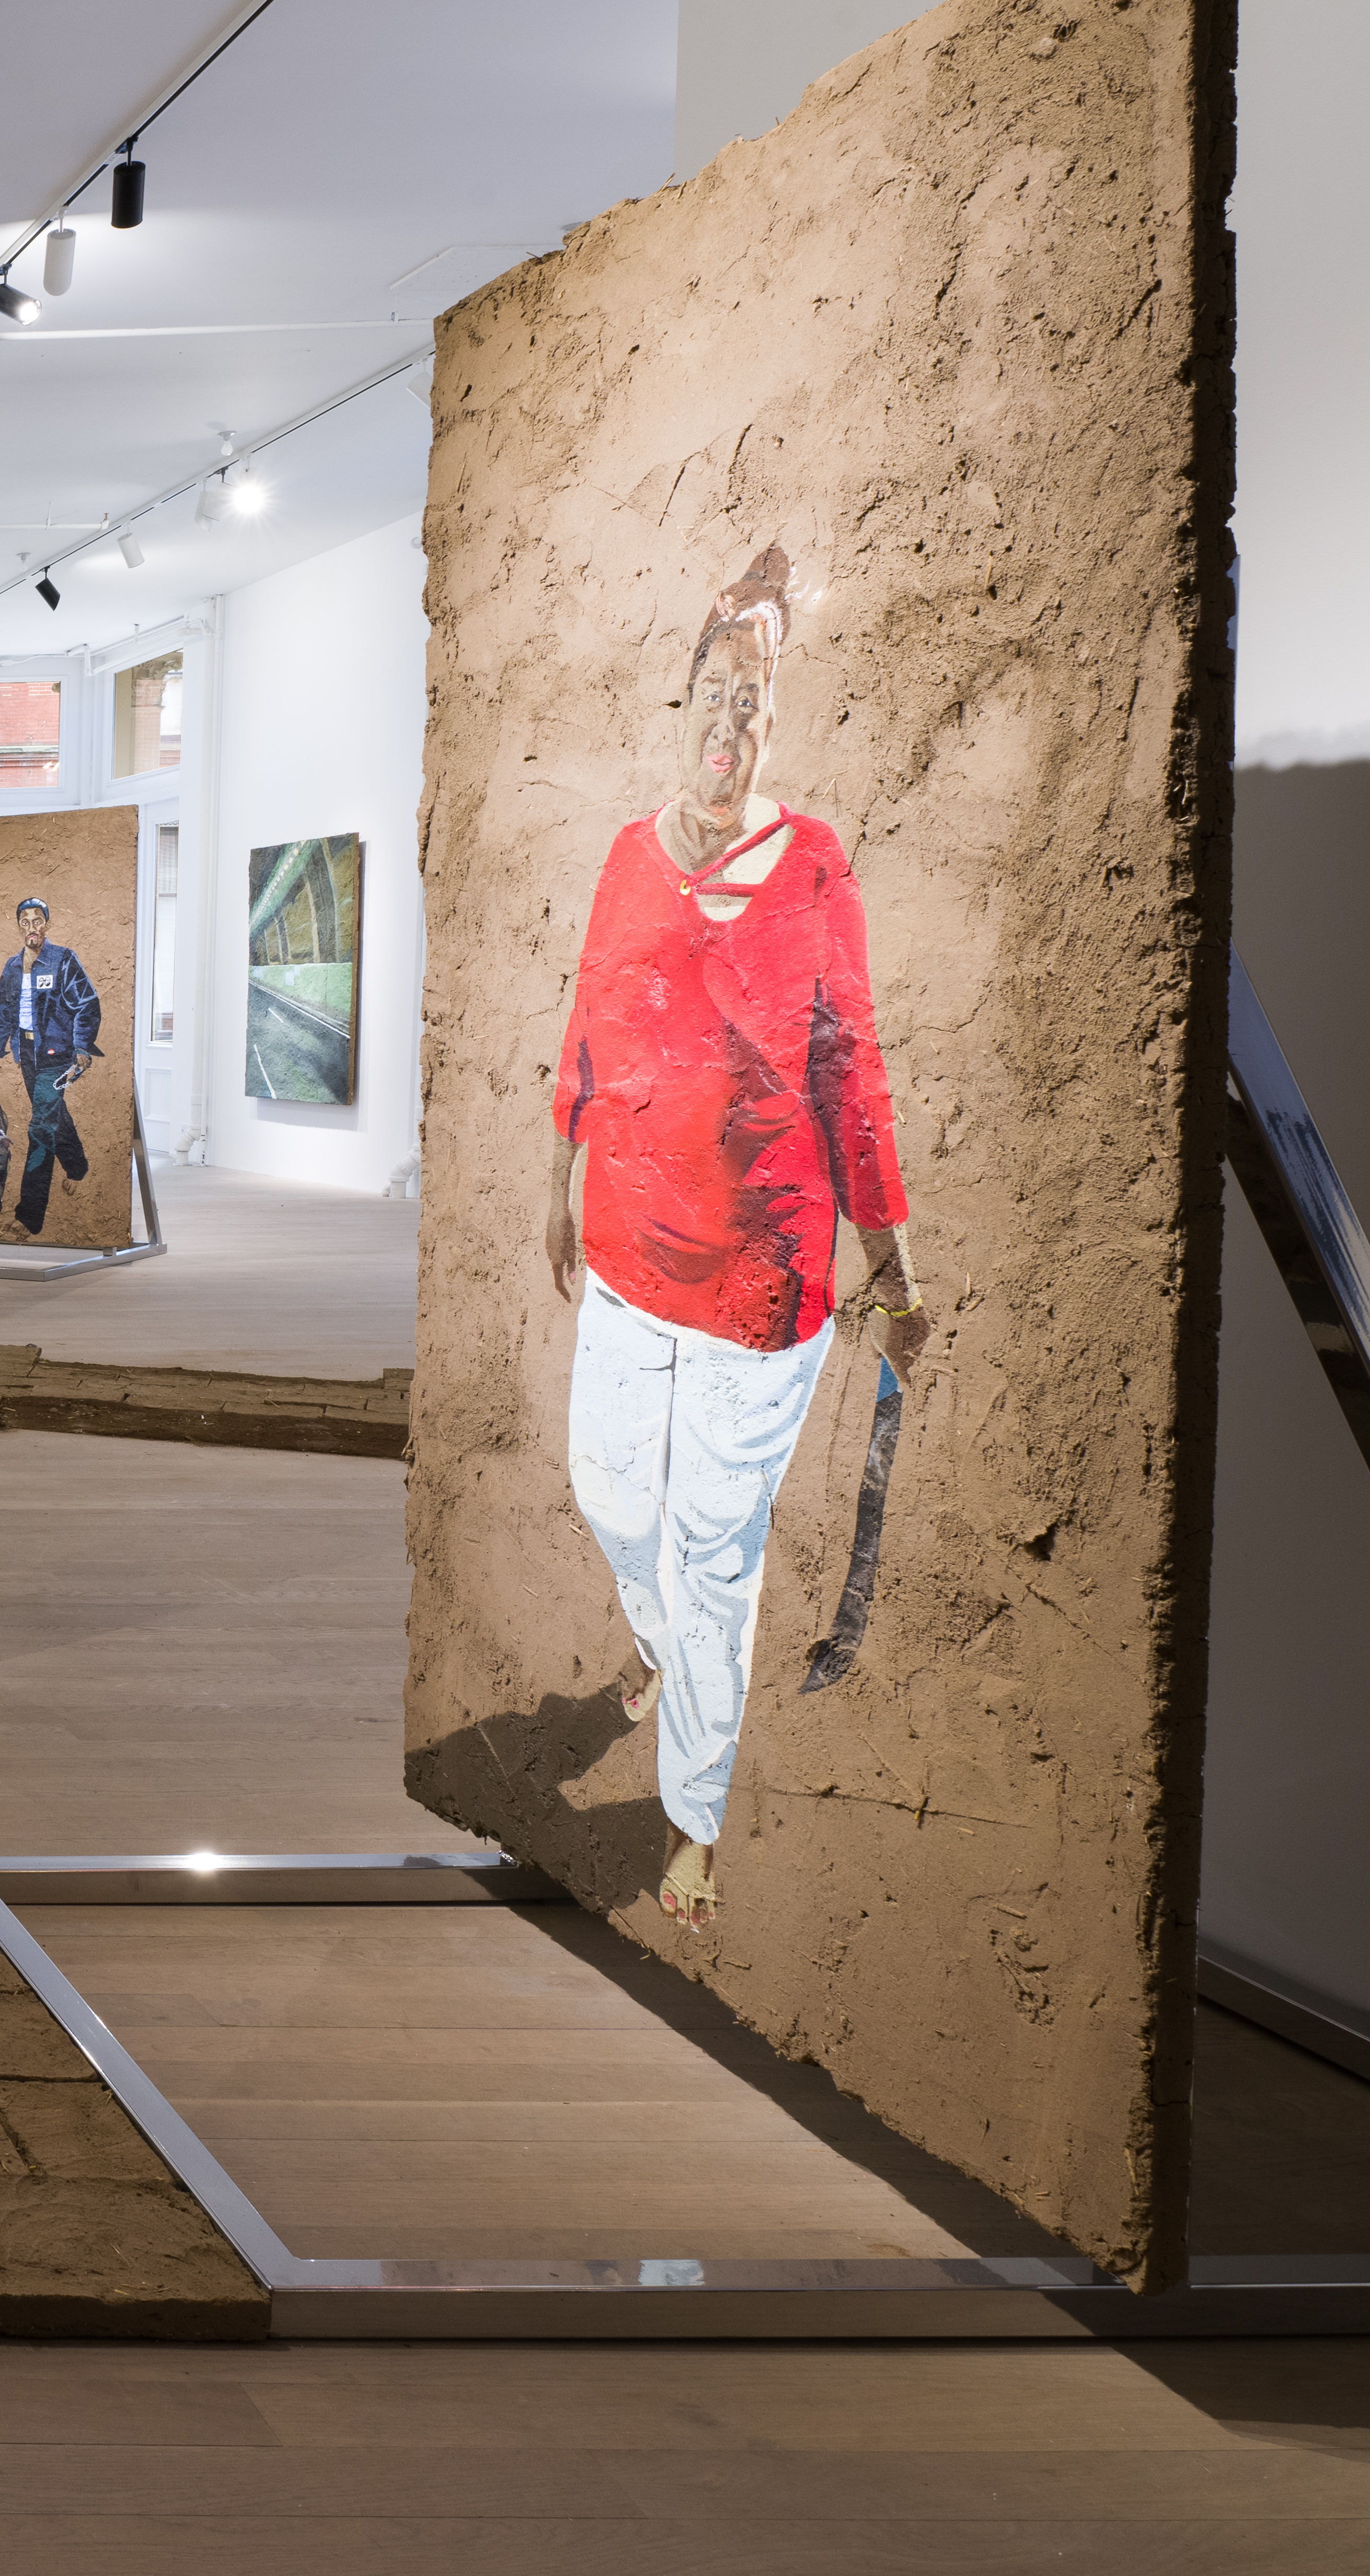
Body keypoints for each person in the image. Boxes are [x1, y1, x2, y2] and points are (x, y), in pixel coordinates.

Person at [541, 544, 926, 1934]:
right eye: (713, 695)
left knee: (715, 1545)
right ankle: (662, 1651)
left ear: (777, 724)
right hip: (633, 1239)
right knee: (609, 1493)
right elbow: (592, 1014)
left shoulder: (814, 863)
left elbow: (855, 1067)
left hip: (768, 1271)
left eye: (753, 709)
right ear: (683, 701)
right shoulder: (629, 854)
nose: (727, 727)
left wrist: (891, 1255)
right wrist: (559, 1169)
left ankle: (692, 1816)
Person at [0, 895, 102, 1234]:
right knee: (53, 1117)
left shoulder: (63, 960)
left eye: (38, 921)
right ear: (19, 926)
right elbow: (3, 1010)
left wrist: (81, 1045)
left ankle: (28, 1217)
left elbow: (88, 1005)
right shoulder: (11, 967)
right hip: (27, 1055)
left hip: (58, 1055)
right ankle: (78, 1167)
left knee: (41, 1128)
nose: (32, 928)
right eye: (25, 922)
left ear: (46, 924)